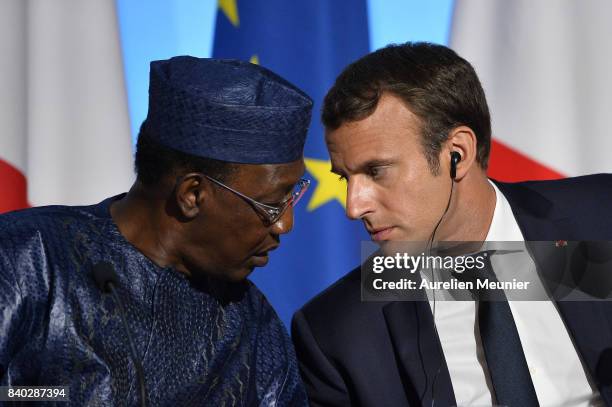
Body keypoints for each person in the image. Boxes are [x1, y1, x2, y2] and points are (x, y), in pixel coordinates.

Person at [291, 42, 612, 407]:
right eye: (345, 178)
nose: (354, 206)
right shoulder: (339, 332)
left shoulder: (601, 220)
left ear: (456, 154)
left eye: (376, 171)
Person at [0, 56, 313, 406]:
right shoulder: (25, 260)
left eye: (294, 195)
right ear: (192, 195)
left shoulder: (254, 328)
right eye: (271, 204)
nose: (285, 224)